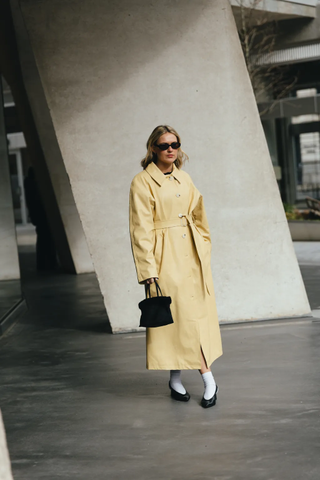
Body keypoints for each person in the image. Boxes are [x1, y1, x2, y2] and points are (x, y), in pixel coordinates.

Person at [129, 125, 222, 408]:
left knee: (192, 318)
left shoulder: (185, 178)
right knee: (175, 318)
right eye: (164, 145)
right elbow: (139, 229)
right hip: (164, 257)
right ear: (153, 149)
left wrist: (203, 244)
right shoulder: (142, 182)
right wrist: (148, 270)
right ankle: (208, 379)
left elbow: (200, 215)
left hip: (192, 255)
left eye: (175, 144)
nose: (171, 149)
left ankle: (176, 379)